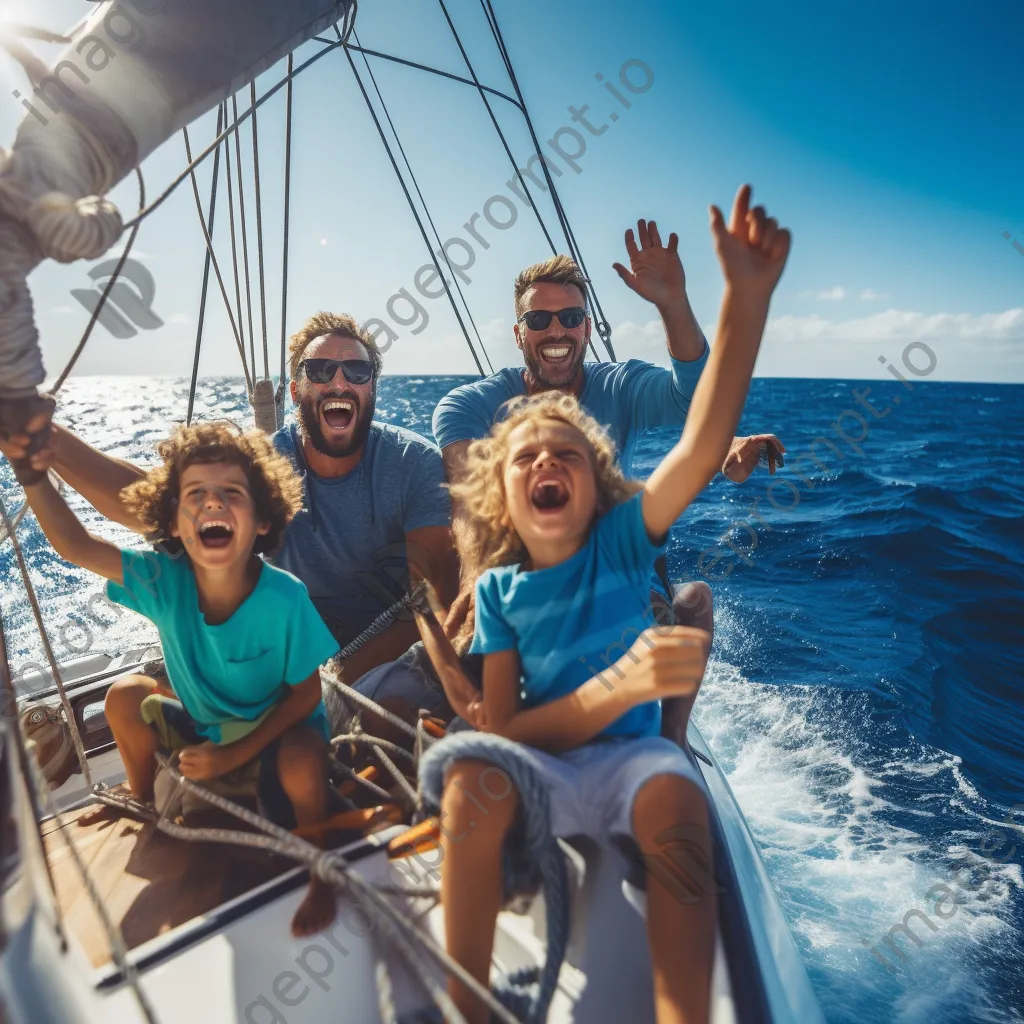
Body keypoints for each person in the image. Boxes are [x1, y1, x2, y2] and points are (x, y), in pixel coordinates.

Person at [424, 184, 791, 1024]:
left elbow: (703, 430)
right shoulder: (506, 588)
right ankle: (464, 1005)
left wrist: (738, 298)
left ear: (605, 483)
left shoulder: (627, 533)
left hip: (629, 753)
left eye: (567, 455)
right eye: (526, 459)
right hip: (544, 754)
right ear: (518, 332)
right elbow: (508, 730)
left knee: (674, 796)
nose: (545, 465)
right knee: (474, 777)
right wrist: (611, 688)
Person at [1, 312, 460, 687]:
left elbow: (431, 594)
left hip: (382, 654)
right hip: (272, 646)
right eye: (320, 371)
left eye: (357, 371)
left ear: (371, 387)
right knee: (138, 699)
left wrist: (338, 676)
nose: (339, 383)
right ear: (297, 388)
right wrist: (46, 439)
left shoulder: (411, 462)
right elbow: (149, 503)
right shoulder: (262, 466)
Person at [18, 420, 342, 938]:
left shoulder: (285, 598)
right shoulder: (160, 581)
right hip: (207, 731)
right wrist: (31, 476)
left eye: (231, 494)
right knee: (124, 697)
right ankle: (144, 800)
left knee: (305, 762)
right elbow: (77, 546)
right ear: (171, 522)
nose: (212, 504)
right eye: (195, 495)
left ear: (262, 520)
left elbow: (306, 694)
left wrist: (238, 754)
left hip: (276, 740)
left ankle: (321, 864)